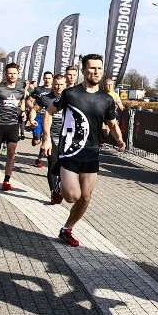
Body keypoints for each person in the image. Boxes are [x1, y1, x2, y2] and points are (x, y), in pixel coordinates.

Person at [41, 54, 125, 247]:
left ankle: (66, 229)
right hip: (70, 151)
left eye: (99, 69)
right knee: (72, 196)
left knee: (85, 197)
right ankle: (59, 187)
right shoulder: (71, 94)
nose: (96, 72)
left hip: (92, 153)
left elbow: (111, 123)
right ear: (84, 70)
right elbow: (49, 112)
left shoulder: (106, 99)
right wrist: (46, 138)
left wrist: (119, 139)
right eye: (92, 68)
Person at [0, 63, 27, 191]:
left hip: (13, 124)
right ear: (6, 74)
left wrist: (23, 112)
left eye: (14, 73)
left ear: (17, 74)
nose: (12, 75)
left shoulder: (20, 90)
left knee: (11, 152)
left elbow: (22, 102)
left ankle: (6, 180)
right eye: (10, 73)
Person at [30, 74, 67, 199]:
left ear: (65, 85)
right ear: (52, 84)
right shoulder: (46, 98)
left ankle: (60, 186)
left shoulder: (71, 98)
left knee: (65, 166)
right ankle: (53, 192)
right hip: (50, 136)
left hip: (66, 137)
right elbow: (34, 109)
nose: (58, 87)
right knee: (53, 163)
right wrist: (31, 119)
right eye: (56, 84)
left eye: (61, 84)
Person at [28, 71, 53, 166]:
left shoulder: (54, 90)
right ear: (43, 78)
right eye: (46, 78)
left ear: (52, 79)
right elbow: (28, 101)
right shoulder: (39, 90)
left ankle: (39, 159)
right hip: (38, 117)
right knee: (36, 141)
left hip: (49, 118)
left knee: (45, 138)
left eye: (49, 78)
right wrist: (33, 109)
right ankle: (35, 138)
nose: (47, 80)